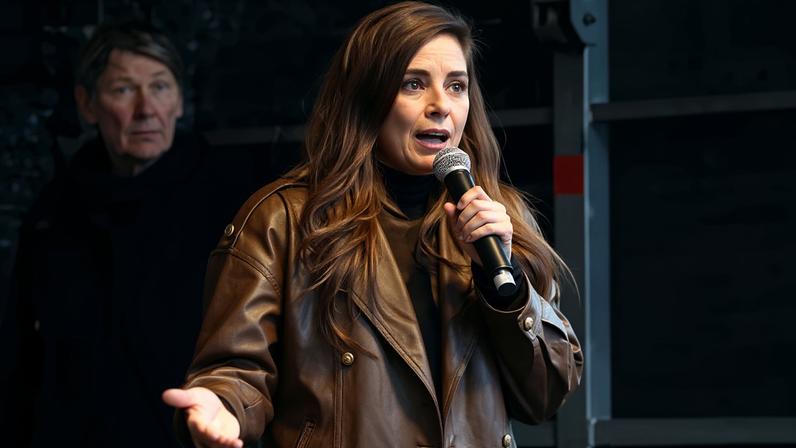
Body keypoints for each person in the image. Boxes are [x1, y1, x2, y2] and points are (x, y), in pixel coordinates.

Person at [162, 2, 584, 447]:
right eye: (413, 84)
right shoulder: (284, 220)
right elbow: (236, 369)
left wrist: (509, 286)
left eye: (456, 86)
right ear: (367, 97)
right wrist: (223, 407)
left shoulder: (497, 219)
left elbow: (545, 395)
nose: (441, 106)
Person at [0, 20, 259, 448]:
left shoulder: (233, 200)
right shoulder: (54, 211)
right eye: (123, 90)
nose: (145, 109)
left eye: (160, 87)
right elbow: (23, 355)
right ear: (87, 104)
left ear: (179, 101)